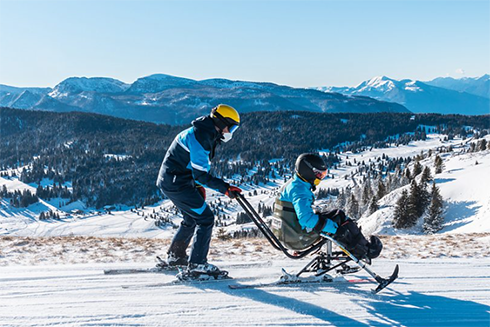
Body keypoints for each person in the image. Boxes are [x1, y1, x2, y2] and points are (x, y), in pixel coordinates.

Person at [156, 104, 242, 275]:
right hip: (176, 183)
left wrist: (197, 186)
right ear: (221, 122)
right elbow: (201, 175)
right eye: (230, 127)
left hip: (174, 180)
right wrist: (225, 188)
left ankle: (176, 256)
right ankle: (197, 264)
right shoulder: (201, 138)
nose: (230, 132)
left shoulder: (204, 132)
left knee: (192, 218)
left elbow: (188, 166)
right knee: (206, 218)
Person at [272, 153, 382, 259]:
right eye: (319, 174)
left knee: (336, 215)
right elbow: (306, 219)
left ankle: (358, 247)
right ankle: (366, 250)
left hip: (286, 235)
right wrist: (336, 229)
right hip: (298, 239)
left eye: (323, 175)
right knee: (340, 220)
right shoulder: (299, 191)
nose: (320, 178)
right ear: (308, 171)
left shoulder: (294, 184)